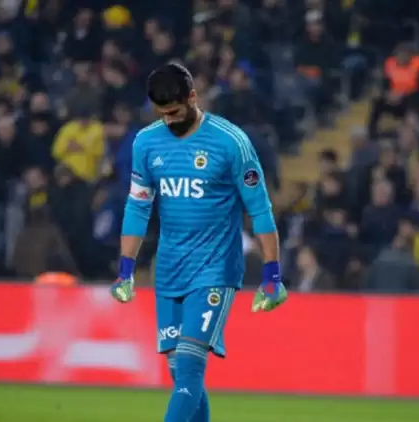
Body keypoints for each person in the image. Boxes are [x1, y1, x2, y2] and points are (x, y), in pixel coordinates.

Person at [110, 63, 287, 422]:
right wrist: (125, 269)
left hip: (214, 269)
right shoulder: (146, 142)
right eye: (162, 113)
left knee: (190, 367)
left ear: (193, 97)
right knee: (181, 374)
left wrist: (272, 274)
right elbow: (138, 207)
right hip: (169, 269)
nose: (169, 120)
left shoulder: (230, 142)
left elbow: (260, 208)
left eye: (175, 112)